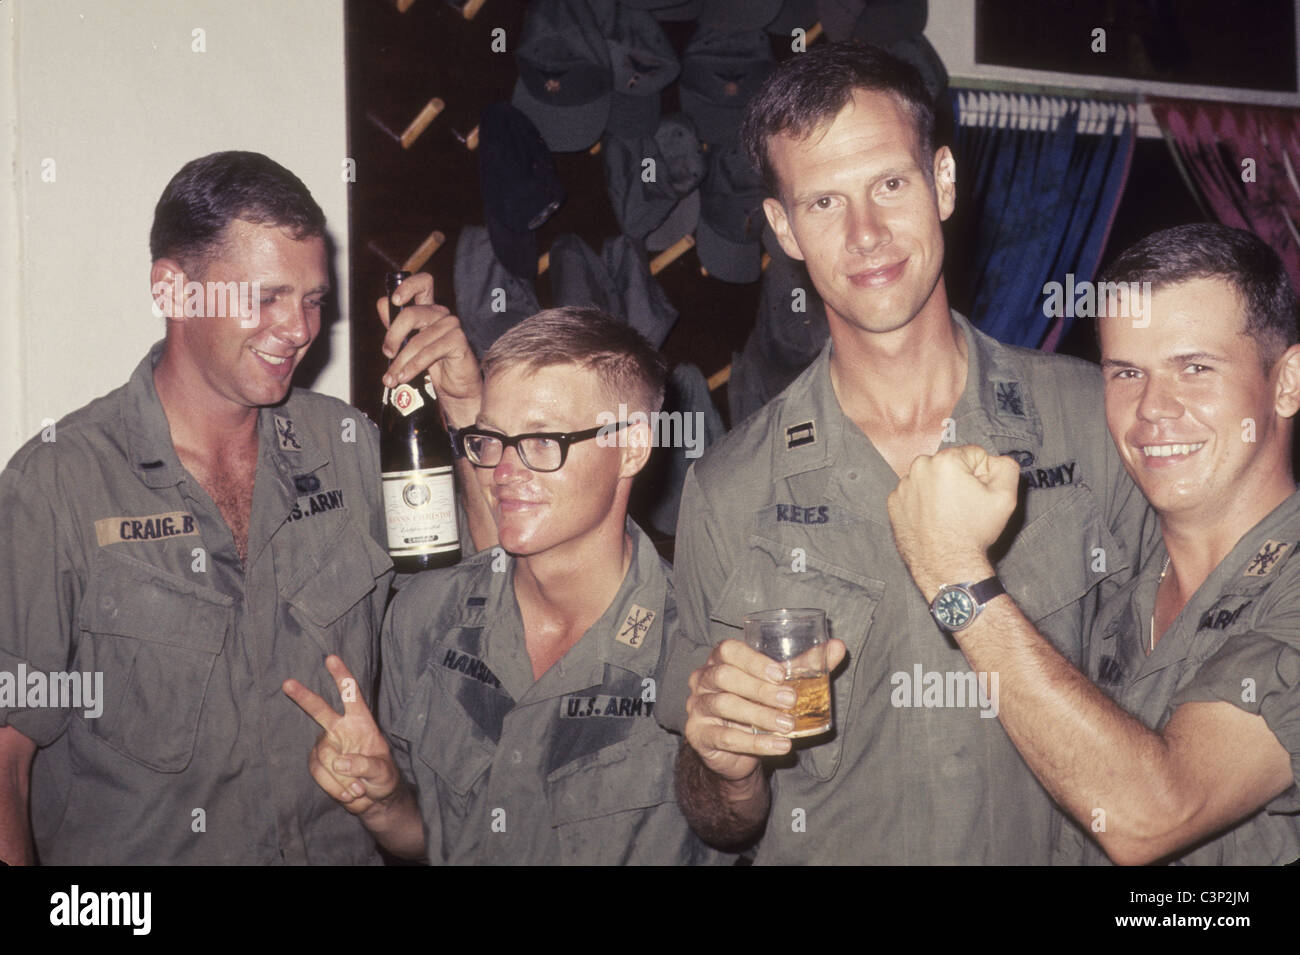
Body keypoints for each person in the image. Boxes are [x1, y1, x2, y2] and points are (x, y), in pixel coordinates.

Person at [663, 42, 1151, 863]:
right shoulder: (726, 488)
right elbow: (719, 821)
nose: (866, 234)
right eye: (824, 203)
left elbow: (1181, 733)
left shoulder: (1096, 422)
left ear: (944, 182)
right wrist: (724, 765)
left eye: (891, 183)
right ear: (783, 229)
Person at [0, 151, 486, 864]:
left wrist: (468, 410)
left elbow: (486, 603)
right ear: (173, 290)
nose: (298, 328)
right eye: (265, 297)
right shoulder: (60, 484)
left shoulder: (348, 447)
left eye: (314, 299)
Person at [889, 223, 1300, 865]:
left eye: (1195, 368)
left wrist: (953, 574)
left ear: (1287, 383)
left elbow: (1152, 813)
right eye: (1127, 372)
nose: (1154, 408)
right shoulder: (1121, 601)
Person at [283, 308, 729, 864]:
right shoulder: (425, 619)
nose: (503, 473)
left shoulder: (697, 648)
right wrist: (384, 802)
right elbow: (436, 839)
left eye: (543, 441)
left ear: (632, 447)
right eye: (490, 439)